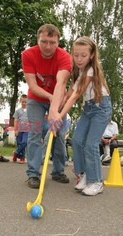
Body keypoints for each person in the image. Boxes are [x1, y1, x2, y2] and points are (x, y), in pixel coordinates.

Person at [59, 36, 112, 196]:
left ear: (91, 56)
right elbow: (69, 94)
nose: (79, 59)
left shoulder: (90, 70)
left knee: (90, 144)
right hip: (88, 109)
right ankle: (84, 174)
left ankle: (96, 182)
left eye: (83, 55)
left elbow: (76, 95)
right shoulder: (79, 71)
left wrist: (60, 116)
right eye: (76, 55)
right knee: (76, 140)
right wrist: (58, 106)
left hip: (101, 108)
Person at [22, 23, 72, 188]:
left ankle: (58, 172)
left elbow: (61, 83)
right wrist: (50, 98)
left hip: (58, 98)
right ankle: (33, 174)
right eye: (44, 41)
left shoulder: (65, 56)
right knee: (35, 133)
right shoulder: (28, 54)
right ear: (38, 40)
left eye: (52, 42)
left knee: (58, 134)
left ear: (58, 42)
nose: (48, 46)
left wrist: (54, 106)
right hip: (36, 99)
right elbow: (33, 86)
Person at [13, 94, 28, 164]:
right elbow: (15, 121)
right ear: (20, 102)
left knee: (24, 142)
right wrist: (15, 130)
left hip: (27, 130)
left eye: (26, 102)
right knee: (19, 143)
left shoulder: (30, 111)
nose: (24, 103)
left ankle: (16, 152)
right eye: (23, 102)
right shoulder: (18, 111)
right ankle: (21, 157)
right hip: (19, 130)